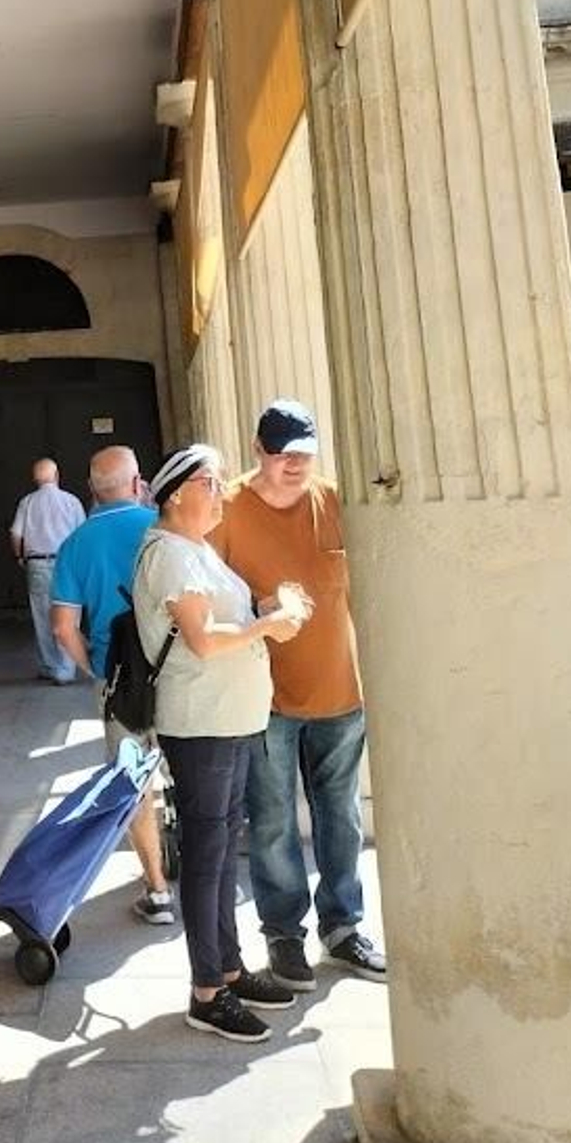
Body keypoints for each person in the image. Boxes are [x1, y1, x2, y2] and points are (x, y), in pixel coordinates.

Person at [211, 400, 386, 990]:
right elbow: (204, 599)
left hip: (340, 689)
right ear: (258, 451)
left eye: (304, 455)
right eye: (284, 455)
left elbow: (371, 583)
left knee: (340, 815)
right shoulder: (226, 511)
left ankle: (343, 927)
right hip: (263, 699)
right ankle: (284, 935)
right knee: (273, 820)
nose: (295, 466)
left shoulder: (336, 501)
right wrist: (255, 612)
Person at [137, 442, 308, 1043]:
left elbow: (222, 617)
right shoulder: (171, 555)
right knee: (208, 856)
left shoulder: (196, 551)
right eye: (210, 482)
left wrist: (266, 607)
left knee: (220, 847)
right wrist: (265, 624)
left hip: (227, 718)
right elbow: (203, 641)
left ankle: (229, 970)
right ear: (179, 492)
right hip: (202, 722)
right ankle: (207, 990)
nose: (220, 493)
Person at [50, 444, 173, 925]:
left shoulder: (77, 543)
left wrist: (95, 667)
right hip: (179, 669)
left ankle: (157, 889)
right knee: (191, 768)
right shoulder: (161, 529)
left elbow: (63, 626)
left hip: (121, 678)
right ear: (138, 482)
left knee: (132, 780)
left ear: (92, 492)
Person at [10, 459, 85, 682]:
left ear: (35, 478)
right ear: (57, 475)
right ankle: (66, 668)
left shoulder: (27, 502)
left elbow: (16, 534)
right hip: (66, 564)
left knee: (42, 615)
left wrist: (20, 556)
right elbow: (82, 535)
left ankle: (49, 665)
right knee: (68, 613)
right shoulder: (71, 501)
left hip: (37, 563)